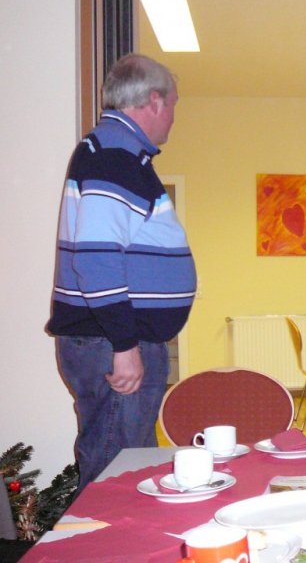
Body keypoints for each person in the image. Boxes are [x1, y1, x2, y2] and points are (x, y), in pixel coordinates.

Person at [47, 53, 196, 491]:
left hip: (110, 339)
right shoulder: (114, 156)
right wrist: (124, 344)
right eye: (173, 104)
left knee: (129, 470)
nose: (173, 117)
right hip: (112, 342)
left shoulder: (116, 153)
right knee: (116, 479)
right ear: (155, 101)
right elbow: (96, 258)